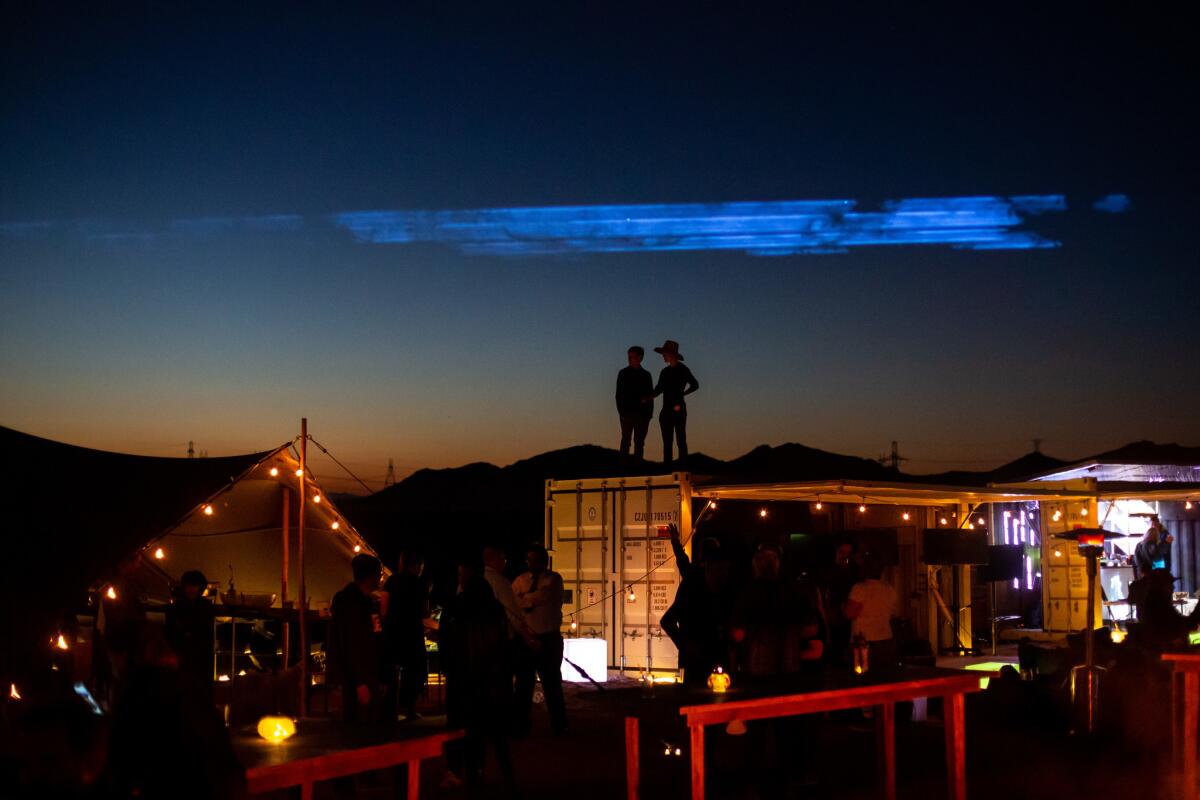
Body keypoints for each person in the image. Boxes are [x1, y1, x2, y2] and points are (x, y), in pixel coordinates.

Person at [441, 554, 518, 795]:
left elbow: (446, 644)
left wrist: (450, 669)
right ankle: (500, 775)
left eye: (461, 575)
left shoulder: (454, 607)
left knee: (460, 728)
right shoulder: (494, 608)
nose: (460, 579)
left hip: (462, 680)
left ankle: (460, 772)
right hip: (491, 680)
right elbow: (503, 643)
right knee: (494, 731)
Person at [511, 543, 568, 736]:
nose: (531, 563)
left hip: (548, 638)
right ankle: (521, 724)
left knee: (551, 684)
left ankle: (559, 724)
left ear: (545, 561)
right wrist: (526, 600)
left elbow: (540, 597)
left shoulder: (554, 579)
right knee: (523, 685)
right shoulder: (520, 579)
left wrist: (523, 599)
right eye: (529, 559)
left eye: (535, 559)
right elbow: (513, 602)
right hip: (526, 639)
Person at [329, 553, 382, 723]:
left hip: (368, 670)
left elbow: (375, 633)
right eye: (379, 574)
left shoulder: (369, 601)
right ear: (369, 576)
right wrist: (360, 682)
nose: (380, 578)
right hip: (355, 676)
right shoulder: (348, 601)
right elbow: (349, 642)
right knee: (358, 726)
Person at [382, 549, 428, 721]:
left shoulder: (391, 580)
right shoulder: (419, 584)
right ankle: (409, 709)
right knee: (414, 671)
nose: (421, 569)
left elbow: (384, 607)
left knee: (393, 671)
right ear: (415, 566)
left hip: (393, 632)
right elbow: (424, 612)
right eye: (421, 566)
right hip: (412, 632)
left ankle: (391, 710)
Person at [163, 569, 215, 700]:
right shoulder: (176, 607)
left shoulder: (206, 607)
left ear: (200, 587)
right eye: (189, 585)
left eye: (194, 585)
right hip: (183, 652)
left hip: (198, 654)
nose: (191, 589)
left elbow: (206, 633)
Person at [844, 554, 899, 672]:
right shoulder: (889, 589)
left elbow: (850, 614)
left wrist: (842, 607)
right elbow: (893, 613)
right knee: (883, 676)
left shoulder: (859, 589)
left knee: (863, 677)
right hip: (886, 639)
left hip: (863, 640)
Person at [651, 339, 699, 469]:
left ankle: (683, 467)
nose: (663, 356)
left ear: (671, 355)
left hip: (678, 410)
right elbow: (659, 388)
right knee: (667, 442)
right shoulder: (664, 372)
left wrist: (683, 394)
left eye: (664, 354)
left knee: (680, 440)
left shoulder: (683, 370)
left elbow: (695, 385)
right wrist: (649, 396)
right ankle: (668, 469)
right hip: (666, 410)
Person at [483, 544, 536, 645]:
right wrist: (528, 637)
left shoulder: (474, 580)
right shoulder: (499, 581)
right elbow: (512, 612)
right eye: (504, 559)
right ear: (495, 560)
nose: (504, 563)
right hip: (498, 637)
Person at [821, 540, 860, 666]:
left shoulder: (855, 572)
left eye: (849, 553)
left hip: (850, 616)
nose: (845, 556)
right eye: (842, 552)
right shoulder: (828, 571)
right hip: (834, 616)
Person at [616, 345, 655, 462]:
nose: (629, 359)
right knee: (625, 441)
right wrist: (621, 413)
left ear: (640, 357)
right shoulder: (623, 373)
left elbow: (650, 395)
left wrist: (649, 414)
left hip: (642, 415)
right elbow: (618, 395)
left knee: (639, 442)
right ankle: (623, 469)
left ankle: (637, 469)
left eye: (632, 356)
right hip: (627, 414)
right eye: (629, 356)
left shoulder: (646, 375)